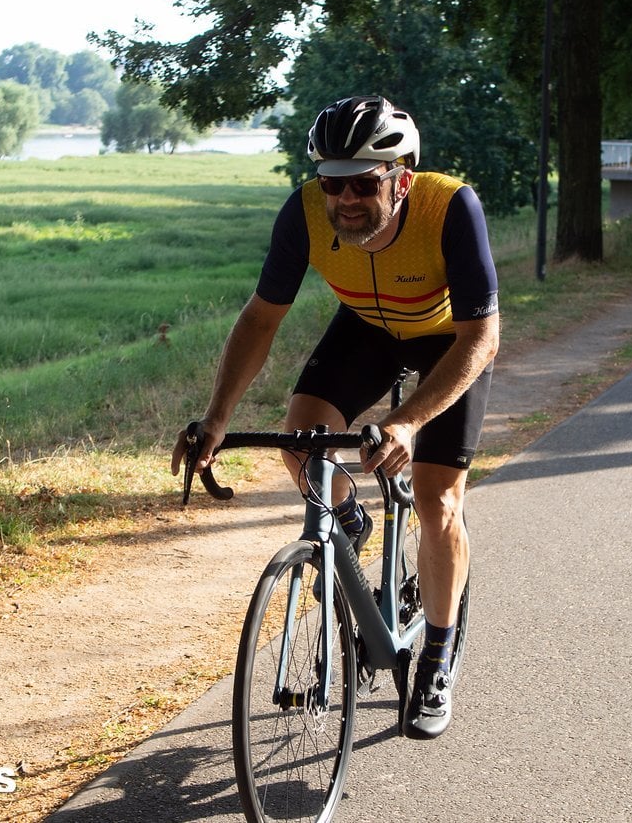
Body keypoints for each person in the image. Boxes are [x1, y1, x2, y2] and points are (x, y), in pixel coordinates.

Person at [171, 95, 499, 739]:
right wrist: (216, 417)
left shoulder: (450, 207)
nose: (344, 199)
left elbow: (481, 339)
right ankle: (348, 520)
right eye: (332, 184)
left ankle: (435, 654)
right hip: (368, 328)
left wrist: (406, 422)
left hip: (447, 339)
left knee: (437, 501)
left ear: (400, 179)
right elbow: (262, 317)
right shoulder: (302, 214)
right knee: (300, 443)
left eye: (362, 183)